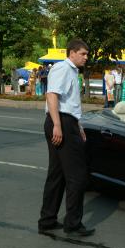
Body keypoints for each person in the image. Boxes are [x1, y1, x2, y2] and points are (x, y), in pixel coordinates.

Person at [38, 38, 95, 237]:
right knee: (77, 176)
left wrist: (77, 125)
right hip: (60, 121)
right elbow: (52, 95)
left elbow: (69, 102)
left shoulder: (71, 71)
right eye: (83, 54)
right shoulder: (63, 68)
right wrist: (57, 125)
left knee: (57, 175)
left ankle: (47, 220)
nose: (86, 57)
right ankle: (73, 223)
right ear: (72, 53)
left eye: (87, 54)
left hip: (66, 122)